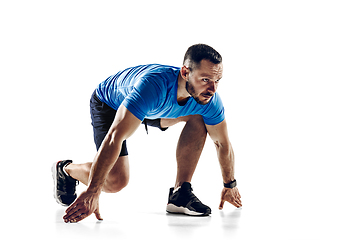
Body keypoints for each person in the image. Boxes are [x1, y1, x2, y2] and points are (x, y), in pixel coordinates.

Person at [52, 44, 242, 223]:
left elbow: (222, 143)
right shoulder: (152, 86)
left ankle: (180, 193)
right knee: (116, 181)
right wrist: (93, 191)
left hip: (154, 108)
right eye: (205, 80)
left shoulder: (209, 99)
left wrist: (229, 185)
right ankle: (67, 170)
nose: (212, 89)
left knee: (200, 117)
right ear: (185, 72)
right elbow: (114, 137)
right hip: (111, 104)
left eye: (217, 80)